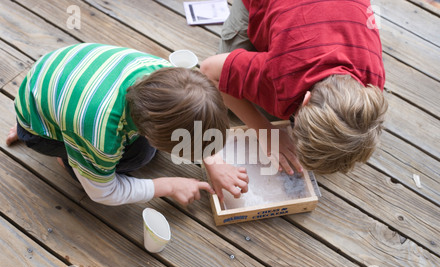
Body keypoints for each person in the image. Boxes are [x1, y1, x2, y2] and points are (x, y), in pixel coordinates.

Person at [6, 43, 245, 206]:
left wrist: (214, 160)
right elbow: (104, 193)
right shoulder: (101, 135)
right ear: (149, 134)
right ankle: (65, 155)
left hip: (56, 77)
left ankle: (50, 126)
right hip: (40, 125)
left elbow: (193, 112)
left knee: (141, 152)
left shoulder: (168, 76)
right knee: (139, 158)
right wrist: (170, 185)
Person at [201, 0, 388, 196]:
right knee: (228, 96)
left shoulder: (373, 84)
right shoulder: (281, 77)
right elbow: (208, 71)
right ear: (305, 99)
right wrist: (265, 131)